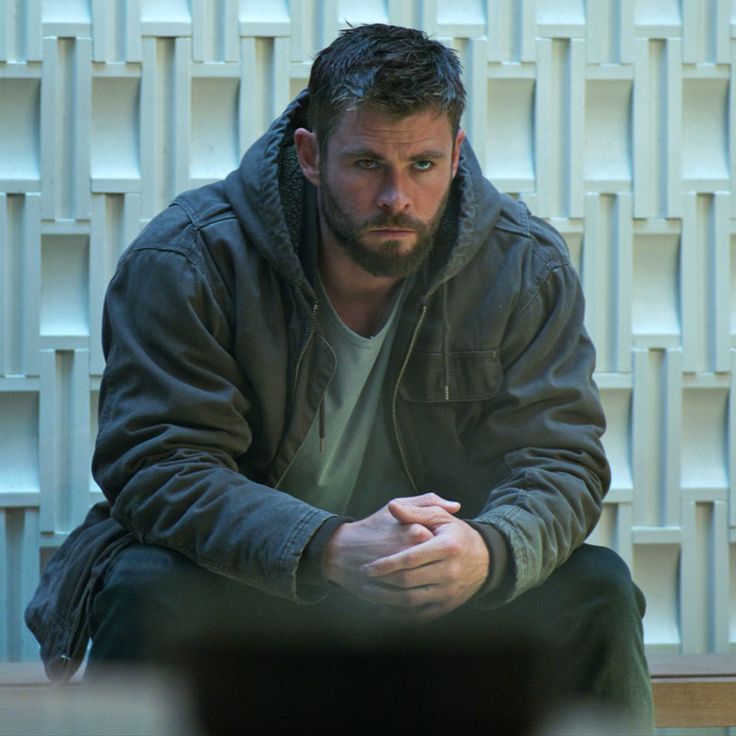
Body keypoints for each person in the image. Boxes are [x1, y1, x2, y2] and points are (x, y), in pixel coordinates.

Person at [26, 23, 653, 733]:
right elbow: (158, 465)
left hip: (441, 595)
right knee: (142, 589)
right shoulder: (189, 260)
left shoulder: (523, 267)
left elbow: (561, 458)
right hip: (254, 589)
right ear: (310, 156)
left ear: (456, 155)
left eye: (422, 164)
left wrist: (488, 549)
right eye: (365, 164)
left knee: (598, 590)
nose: (396, 196)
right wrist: (326, 546)